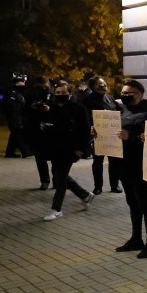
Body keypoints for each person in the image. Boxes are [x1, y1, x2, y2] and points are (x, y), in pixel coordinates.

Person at [113, 79, 147, 259]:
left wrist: (129, 137)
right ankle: (136, 237)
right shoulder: (122, 110)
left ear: (140, 95)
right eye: (123, 93)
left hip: (140, 165)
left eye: (129, 93)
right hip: (123, 164)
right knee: (132, 202)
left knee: (144, 202)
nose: (124, 96)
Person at [42, 82, 94, 221]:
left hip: (70, 149)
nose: (59, 95)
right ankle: (85, 195)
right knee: (58, 175)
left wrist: (81, 149)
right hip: (55, 148)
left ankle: (56, 209)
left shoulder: (78, 108)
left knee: (60, 178)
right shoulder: (53, 108)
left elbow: (84, 130)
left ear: (69, 94)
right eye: (57, 93)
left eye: (63, 93)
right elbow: (53, 126)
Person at [83, 77, 123, 195]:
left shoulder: (110, 98)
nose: (103, 85)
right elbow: (84, 118)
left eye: (104, 83)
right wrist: (89, 127)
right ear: (92, 86)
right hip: (98, 136)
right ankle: (98, 187)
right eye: (99, 84)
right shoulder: (87, 101)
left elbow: (120, 110)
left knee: (114, 161)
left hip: (112, 135)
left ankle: (115, 185)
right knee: (98, 162)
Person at [24, 76, 53, 189]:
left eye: (46, 86)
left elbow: (56, 109)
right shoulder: (30, 93)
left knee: (54, 157)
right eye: (43, 86)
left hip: (50, 129)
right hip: (36, 129)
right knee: (40, 157)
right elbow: (26, 109)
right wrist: (36, 106)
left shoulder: (52, 94)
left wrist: (49, 109)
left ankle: (55, 180)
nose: (45, 88)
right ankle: (45, 180)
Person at [3, 76, 31, 158]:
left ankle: (9, 152)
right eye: (22, 82)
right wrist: (16, 119)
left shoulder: (18, 92)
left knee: (14, 135)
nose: (23, 84)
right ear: (17, 83)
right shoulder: (13, 92)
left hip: (17, 117)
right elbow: (13, 108)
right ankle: (26, 152)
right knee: (18, 134)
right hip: (14, 118)